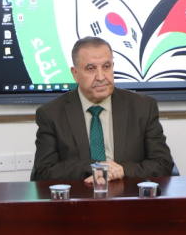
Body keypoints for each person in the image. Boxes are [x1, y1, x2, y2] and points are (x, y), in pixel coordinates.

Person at [32, 36, 174, 182]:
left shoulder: (142, 107)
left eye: (106, 67)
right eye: (90, 69)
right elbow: (43, 173)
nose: (101, 77)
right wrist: (96, 167)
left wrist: (122, 170)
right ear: (75, 74)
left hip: (128, 193)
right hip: (79, 194)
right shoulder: (51, 114)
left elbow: (163, 164)